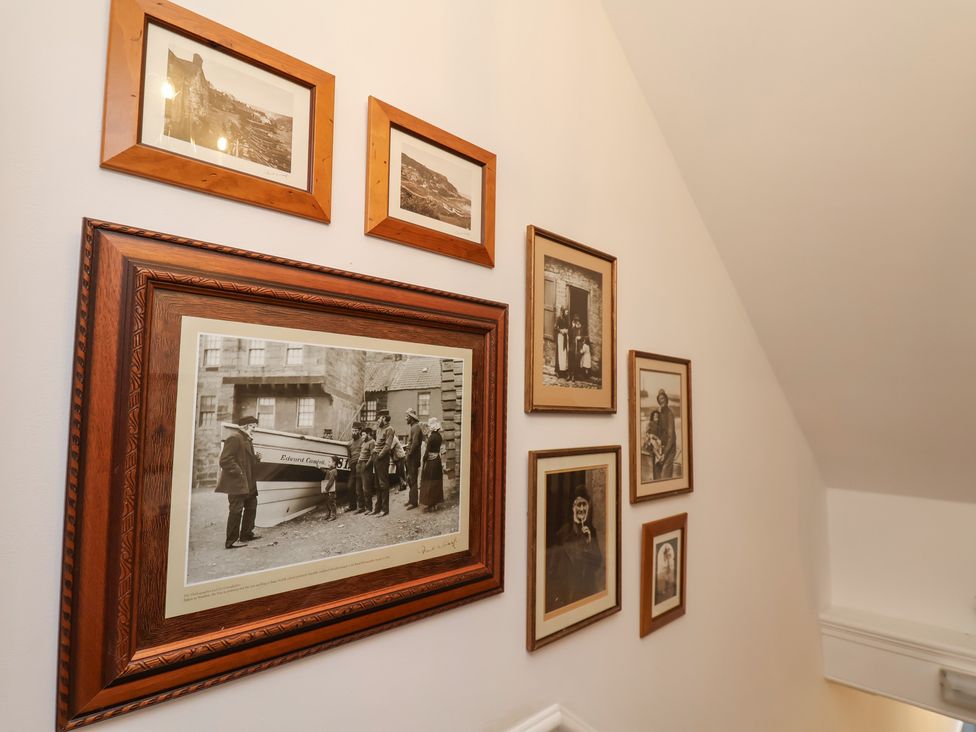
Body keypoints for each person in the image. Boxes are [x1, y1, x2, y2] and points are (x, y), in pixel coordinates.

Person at [545, 484, 603, 612]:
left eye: (584, 505)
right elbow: (552, 571)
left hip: (587, 594)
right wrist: (557, 597)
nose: (581, 509)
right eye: (578, 505)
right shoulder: (562, 534)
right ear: (572, 508)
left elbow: (598, 563)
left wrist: (589, 543)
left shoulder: (591, 532)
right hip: (567, 597)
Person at [215, 415, 262, 549]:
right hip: (238, 482)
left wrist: (255, 458)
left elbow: (244, 459)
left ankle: (246, 534)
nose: (254, 429)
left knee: (252, 506)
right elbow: (224, 460)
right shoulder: (234, 438)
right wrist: (239, 472)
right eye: (253, 427)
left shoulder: (246, 438)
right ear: (245, 426)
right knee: (236, 510)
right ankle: (231, 541)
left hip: (249, 482)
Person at [371, 411, 394, 516]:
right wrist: (374, 452)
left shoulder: (390, 429)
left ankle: (385, 509)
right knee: (377, 484)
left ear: (384, 418)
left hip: (382, 459)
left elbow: (387, 446)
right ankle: (377, 508)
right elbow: (377, 443)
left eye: (379, 418)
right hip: (376, 457)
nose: (378, 420)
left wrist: (379, 455)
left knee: (383, 484)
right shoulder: (379, 428)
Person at [419, 417, 444, 512]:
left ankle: (430, 504)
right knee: (437, 481)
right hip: (437, 460)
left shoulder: (431, 437)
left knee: (429, 482)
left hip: (431, 462)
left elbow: (427, 451)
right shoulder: (439, 436)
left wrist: (424, 459)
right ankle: (436, 503)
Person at [654, 389, 677, 479]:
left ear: (666, 399)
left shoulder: (669, 414)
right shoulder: (660, 413)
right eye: (659, 399)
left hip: (670, 450)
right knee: (657, 474)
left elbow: (671, 437)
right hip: (661, 449)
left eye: (663, 398)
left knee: (665, 476)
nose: (661, 401)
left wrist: (665, 454)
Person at [404, 408, 423, 509]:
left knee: (413, 479)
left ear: (411, 418)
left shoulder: (416, 427)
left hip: (413, 457)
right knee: (410, 478)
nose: (405, 418)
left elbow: (415, 444)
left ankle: (414, 502)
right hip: (411, 457)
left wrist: (409, 454)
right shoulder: (414, 427)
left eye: (407, 416)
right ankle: (411, 499)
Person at [346, 422, 365, 512]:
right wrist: (350, 464)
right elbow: (349, 456)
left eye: (356, 430)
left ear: (359, 431)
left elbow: (365, 453)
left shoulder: (363, 441)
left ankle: (362, 506)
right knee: (350, 486)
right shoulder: (349, 443)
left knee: (360, 487)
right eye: (353, 430)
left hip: (360, 465)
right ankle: (352, 506)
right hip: (353, 468)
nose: (354, 432)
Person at [359, 427, 376, 514]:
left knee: (366, 488)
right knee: (363, 487)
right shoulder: (364, 442)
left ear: (368, 434)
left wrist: (366, 465)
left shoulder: (372, 442)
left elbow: (372, 456)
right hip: (361, 465)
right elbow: (362, 453)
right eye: (361, 435)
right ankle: (366, 507)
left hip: (366, 466)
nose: (362, 436)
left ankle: (369, 508)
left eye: (363, 434)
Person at [555, 307, 570, 378]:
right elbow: (555, 327)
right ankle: (558, 371)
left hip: (565, 337)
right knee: (560, 353)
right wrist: (561, 331)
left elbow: (568, 327)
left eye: (567, 312)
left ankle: (564, 371)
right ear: (563, 312)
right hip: (560, 337)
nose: (567, 313)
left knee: (564, 354)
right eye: (566, 312)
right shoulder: (559, 318)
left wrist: (567, 330)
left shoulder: (567, 319)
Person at [569, 314, 583, 382]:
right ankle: (570, 374)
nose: (577, 322)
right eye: (575, 320)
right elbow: (570, 336)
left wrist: (581, 337)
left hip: (579, 347)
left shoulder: (581, 328)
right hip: (573, 346)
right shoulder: (573, 328)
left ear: (579, 321)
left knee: (576, 361)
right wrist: (572, 327)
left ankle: (574, 375)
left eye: (578, 320)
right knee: (571, 359)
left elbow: (585, 337)